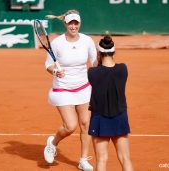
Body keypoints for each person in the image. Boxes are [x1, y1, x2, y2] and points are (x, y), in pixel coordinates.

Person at [43, 9, 97, 171]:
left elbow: (94, 63)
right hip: (63, 88)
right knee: (70, 126)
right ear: (65, 23)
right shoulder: (57, 42)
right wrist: (54, 70)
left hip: (83, 87)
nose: (73, 26)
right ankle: (52, 143)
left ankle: (83, 160)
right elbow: (48, 65)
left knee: (86, 123)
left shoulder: (87, 41)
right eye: (70, 23)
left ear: (79, 23)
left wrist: (102, 60)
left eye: (76, 23)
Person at [88, 35, 134, 171]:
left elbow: (98, 70)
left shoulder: (92, 72)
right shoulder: (123, 69)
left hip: (99, 119)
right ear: (114, 52)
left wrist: (97, 60)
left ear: (99, 53)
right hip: (120, 117)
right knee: (125, 158)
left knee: (101, 160)